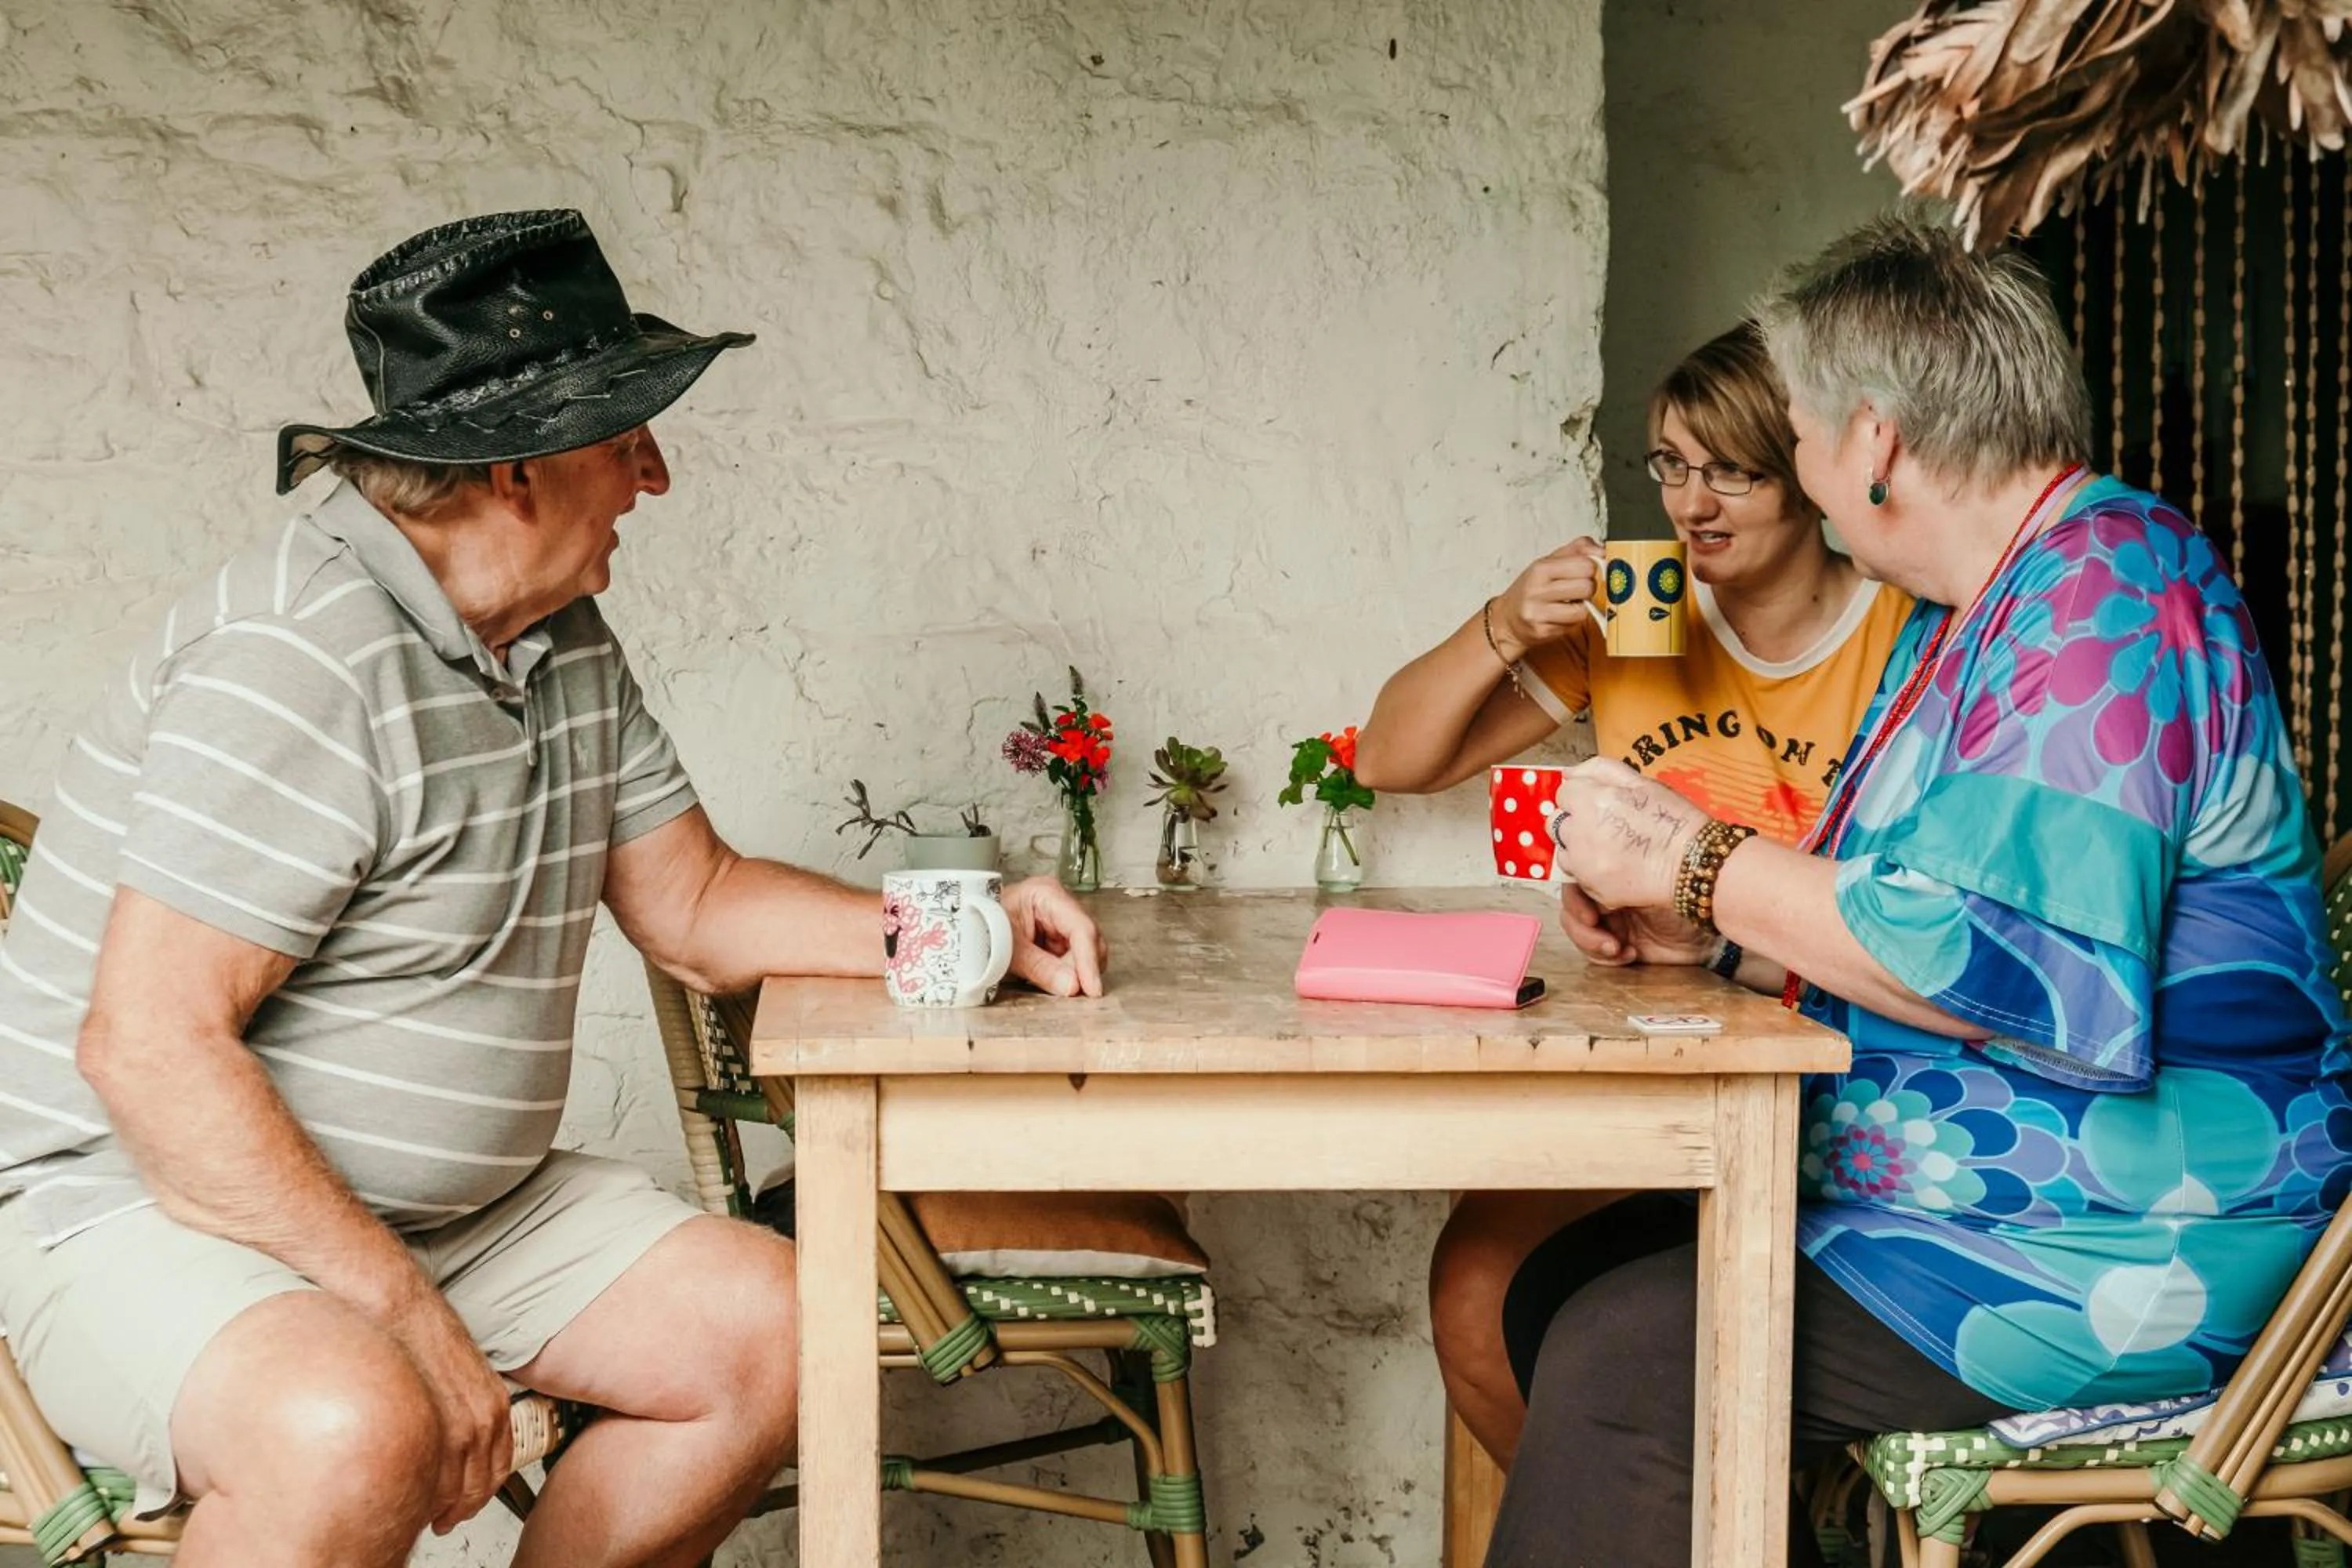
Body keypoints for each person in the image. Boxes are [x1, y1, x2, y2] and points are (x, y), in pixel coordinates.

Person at [0, 209, 1107, 1568]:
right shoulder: (295, 660)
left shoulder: (555, 633)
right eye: (625, 429)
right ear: (516, 465)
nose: (655, 472)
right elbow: (149, 1050)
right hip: (153, 1210)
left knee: (781, 1331)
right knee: (351, 1431)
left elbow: (691, 903)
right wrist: (403, 1317)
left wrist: (953, 930)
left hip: (447, 1215)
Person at [1488, 211, 2352, 1567]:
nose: (1805, 476)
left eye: (1802, 436)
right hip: (1986, 1195)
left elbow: (1984, 961)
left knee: (1627, 1363)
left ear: (1875, 440)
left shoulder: (2107, 594)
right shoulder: (1975, 619)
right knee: (1560, 1288)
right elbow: (1888, 909)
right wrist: (1699, 942)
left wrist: (1691, 861)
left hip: (2126, 1241)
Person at [1353, 321, 1913, 1468]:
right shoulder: (1648, 605)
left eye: (1733, 471)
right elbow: (1390, 758)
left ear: (1807, 475)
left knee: (1646, 1338)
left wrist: (1707, 931)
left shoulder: (1906, 629)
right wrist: (1506, 622)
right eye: (1669, 464)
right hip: (1671, 1066)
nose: (1693, 504)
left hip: (1863, 1078)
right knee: (1477, 1287)